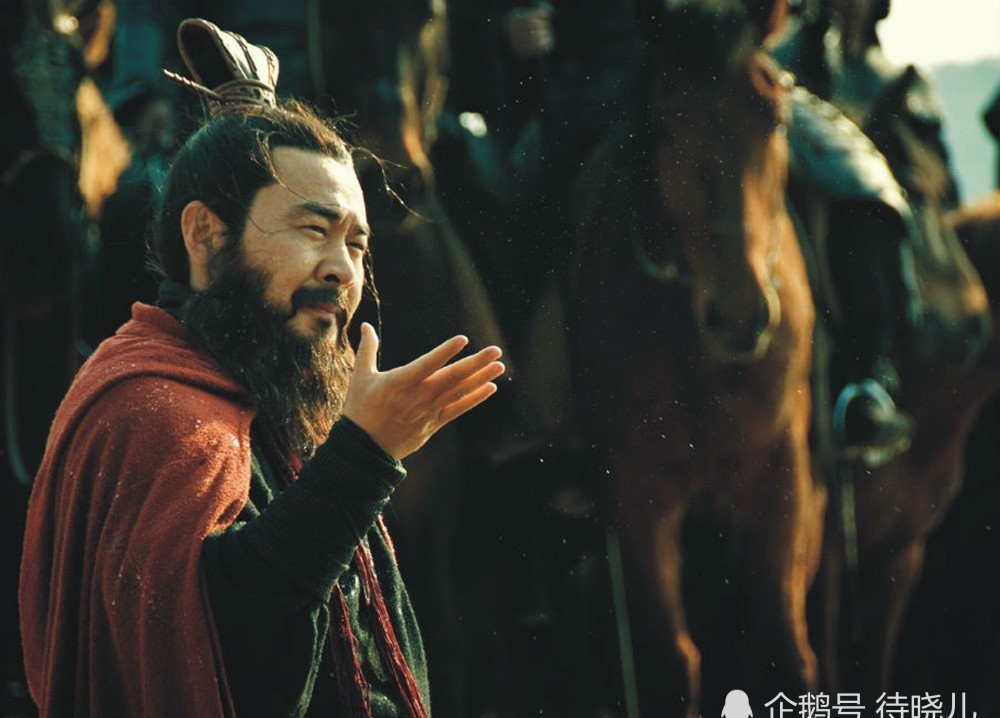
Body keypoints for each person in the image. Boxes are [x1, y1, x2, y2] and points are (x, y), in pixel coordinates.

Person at [18, 19, 505, 717]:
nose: (344, 271)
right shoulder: (152, 414)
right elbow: (222, 663)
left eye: (357, 244)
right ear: (206, 236)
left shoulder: (265, 387)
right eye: (314, 230)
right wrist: (363, 460)